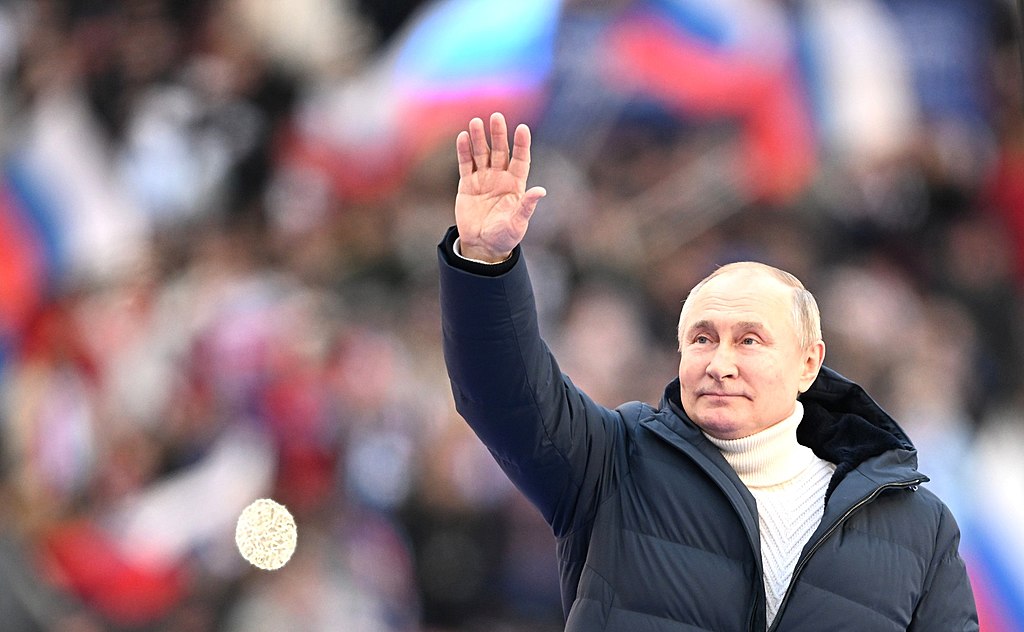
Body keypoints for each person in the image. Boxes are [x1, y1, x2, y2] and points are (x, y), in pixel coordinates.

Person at [437, 112, 978, 631]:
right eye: (701, 339)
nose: (720, 364)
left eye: (749, 340)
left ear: (808, 363)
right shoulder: (613, 461)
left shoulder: (918, 528)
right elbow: (505, 394)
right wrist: (483, 262)